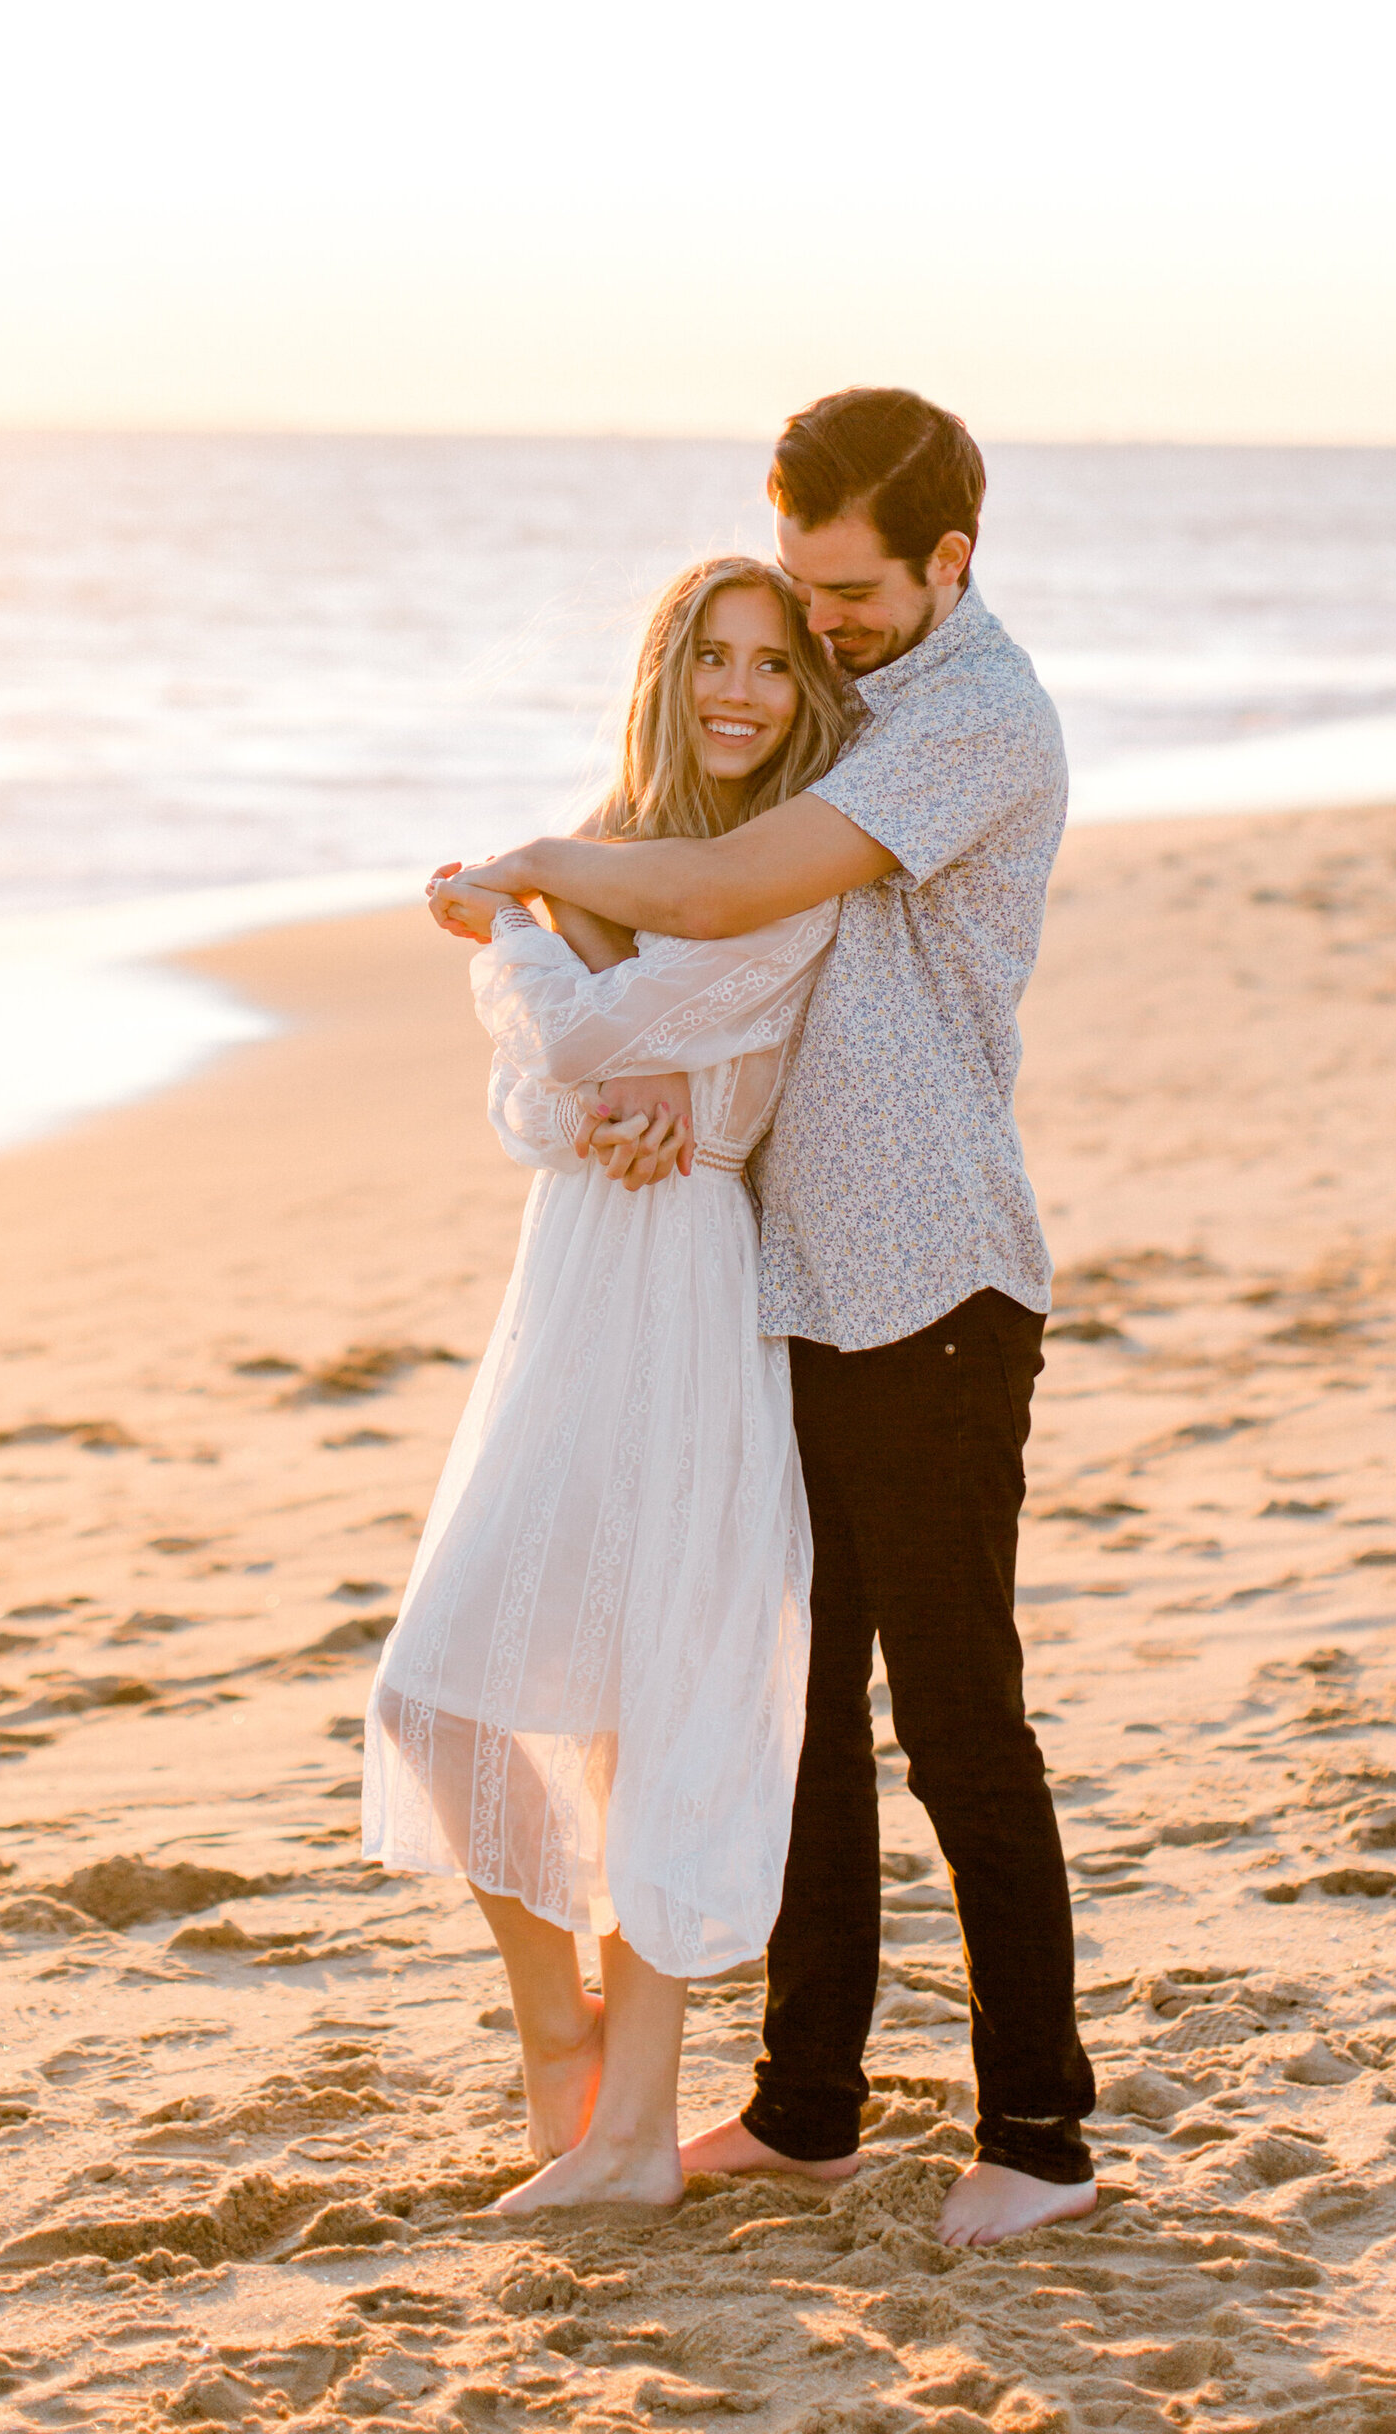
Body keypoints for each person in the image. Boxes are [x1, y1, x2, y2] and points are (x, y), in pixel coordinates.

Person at [433, 386, 1098, 2248]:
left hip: (937, 1280)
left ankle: (1039, 2135)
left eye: (848, 590)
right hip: (785, 1280)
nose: (820, 623)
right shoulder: (834, 688)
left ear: (948, 563)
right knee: (799, 1717)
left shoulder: (974, 716)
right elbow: (691, 888)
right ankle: (808, 2112)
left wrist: (537, 873)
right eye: (800, 587)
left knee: (961, 1720)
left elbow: (730, 884)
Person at [366, 553, 857, 2212]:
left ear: (804, 696)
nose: (740, 691)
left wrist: (508, 923)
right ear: (668, 673)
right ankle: (557, 2026)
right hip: (573, 1282)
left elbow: (573, 1037)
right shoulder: (617, 851)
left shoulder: (779, 879)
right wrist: (589, 1076)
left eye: (775, 666)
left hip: (690, 1296)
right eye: (714, 658)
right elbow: (540, 1101)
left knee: (656, 1701)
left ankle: (637, 2132)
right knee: (438, 1688)